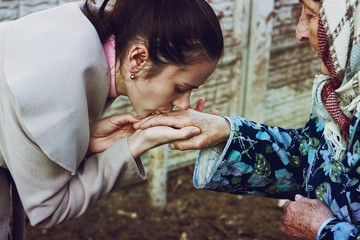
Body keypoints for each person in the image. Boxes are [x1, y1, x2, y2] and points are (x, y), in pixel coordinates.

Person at [134, 0, 360, 239]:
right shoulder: (341, 96)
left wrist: (326, 231)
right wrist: (225, 133)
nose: (299, 32)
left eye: (312, 15)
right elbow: (309, 159)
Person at [0, 0, 223, 239]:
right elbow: (49, 209)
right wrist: (136, 145)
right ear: (138, 58)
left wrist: (85, 139)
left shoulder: (82, 34)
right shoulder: (54, 85)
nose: (185, 104)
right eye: (180, 88)